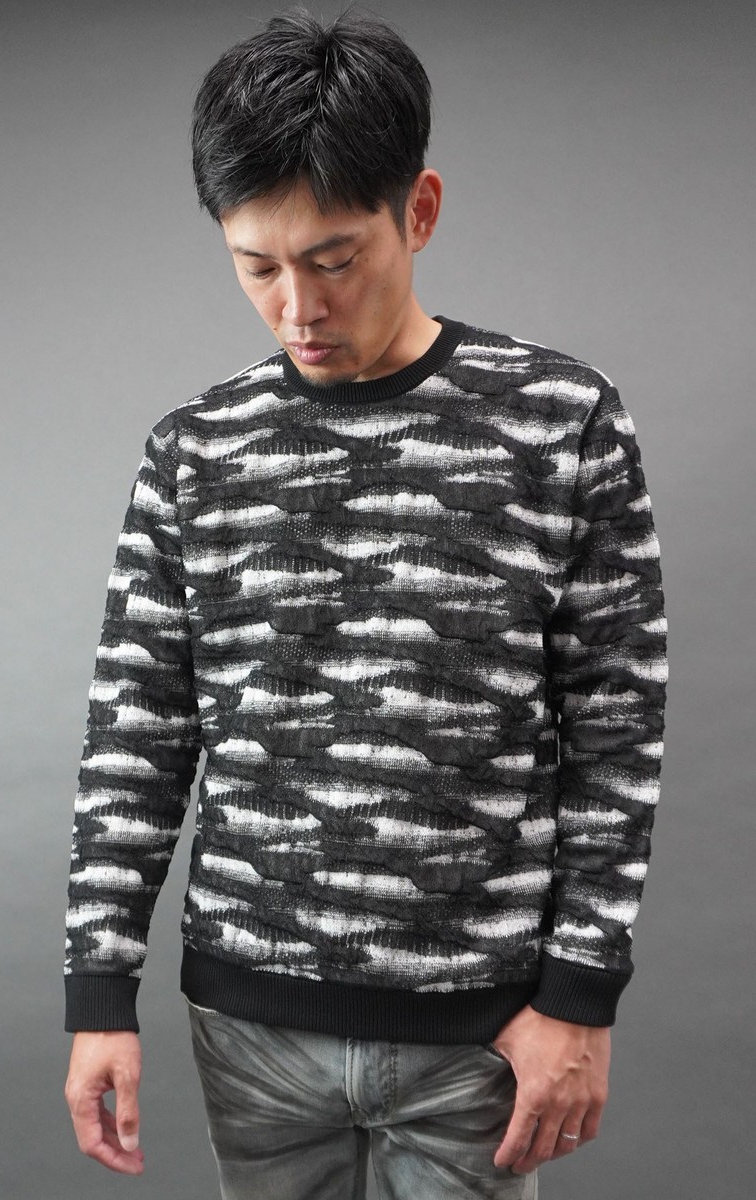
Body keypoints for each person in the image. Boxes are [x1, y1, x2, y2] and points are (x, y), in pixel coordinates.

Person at [62, 8, 668, 1198]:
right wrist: (98, 995)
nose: (297, 308)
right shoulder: (195, 450)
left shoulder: (561, 422)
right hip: (247, 1034)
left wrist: (580, 998)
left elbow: (615, 731)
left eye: (332, 260)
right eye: (257, 266)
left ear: (418, 211)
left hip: (479, 1036)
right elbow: (138, 733)